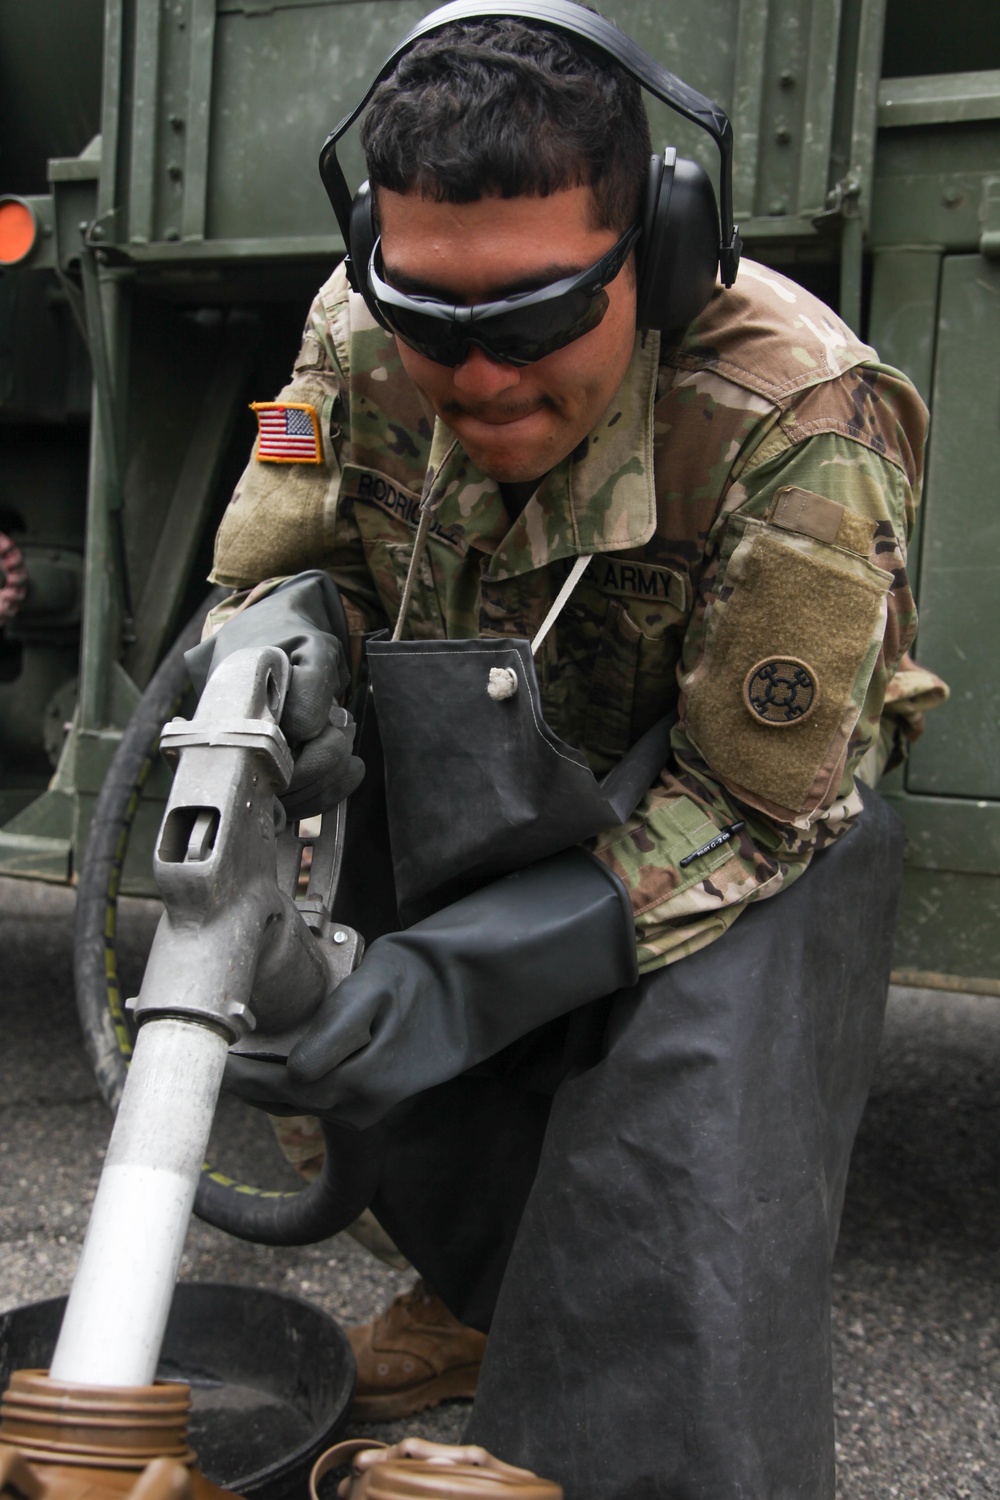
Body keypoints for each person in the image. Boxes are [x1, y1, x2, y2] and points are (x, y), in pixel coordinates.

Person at [191, 5, 944, 1496]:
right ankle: (489, 1306)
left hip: (732, 819)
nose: (479, 383)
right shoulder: (357, 328)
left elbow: (757, 805)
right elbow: (292, 576)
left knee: (688, 1106)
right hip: (487, 758)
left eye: (535, 323)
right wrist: (278, 679)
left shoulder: (801, 409)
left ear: (655, 256)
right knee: (347, 988)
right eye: (434, 325)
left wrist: (471, 970)